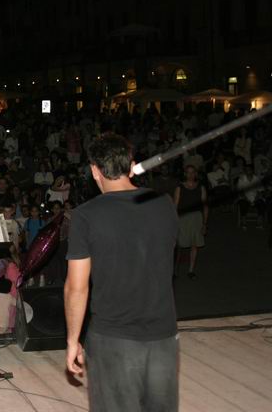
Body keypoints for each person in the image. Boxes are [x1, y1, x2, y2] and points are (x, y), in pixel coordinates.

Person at [65, 133, 179, 412]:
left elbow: (77, 287)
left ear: (95, 170)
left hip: (113, 337)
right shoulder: (164, 204)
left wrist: (72, 339)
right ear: (131, 165)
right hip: (163, 335)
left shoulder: (85, 215)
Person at [173, 165, 208, 279]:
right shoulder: (180, 187)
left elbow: (205, 206)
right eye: (188, 172)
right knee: (179, 245)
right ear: (185, 174)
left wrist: (204, 223)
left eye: (193, 172)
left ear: (196, 174)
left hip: (196, 217)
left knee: (194, 244)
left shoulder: (201, 187)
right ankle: (175, 270)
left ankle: (191, 270)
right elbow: (175, 206)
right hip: (183, 218)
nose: (190, 175)